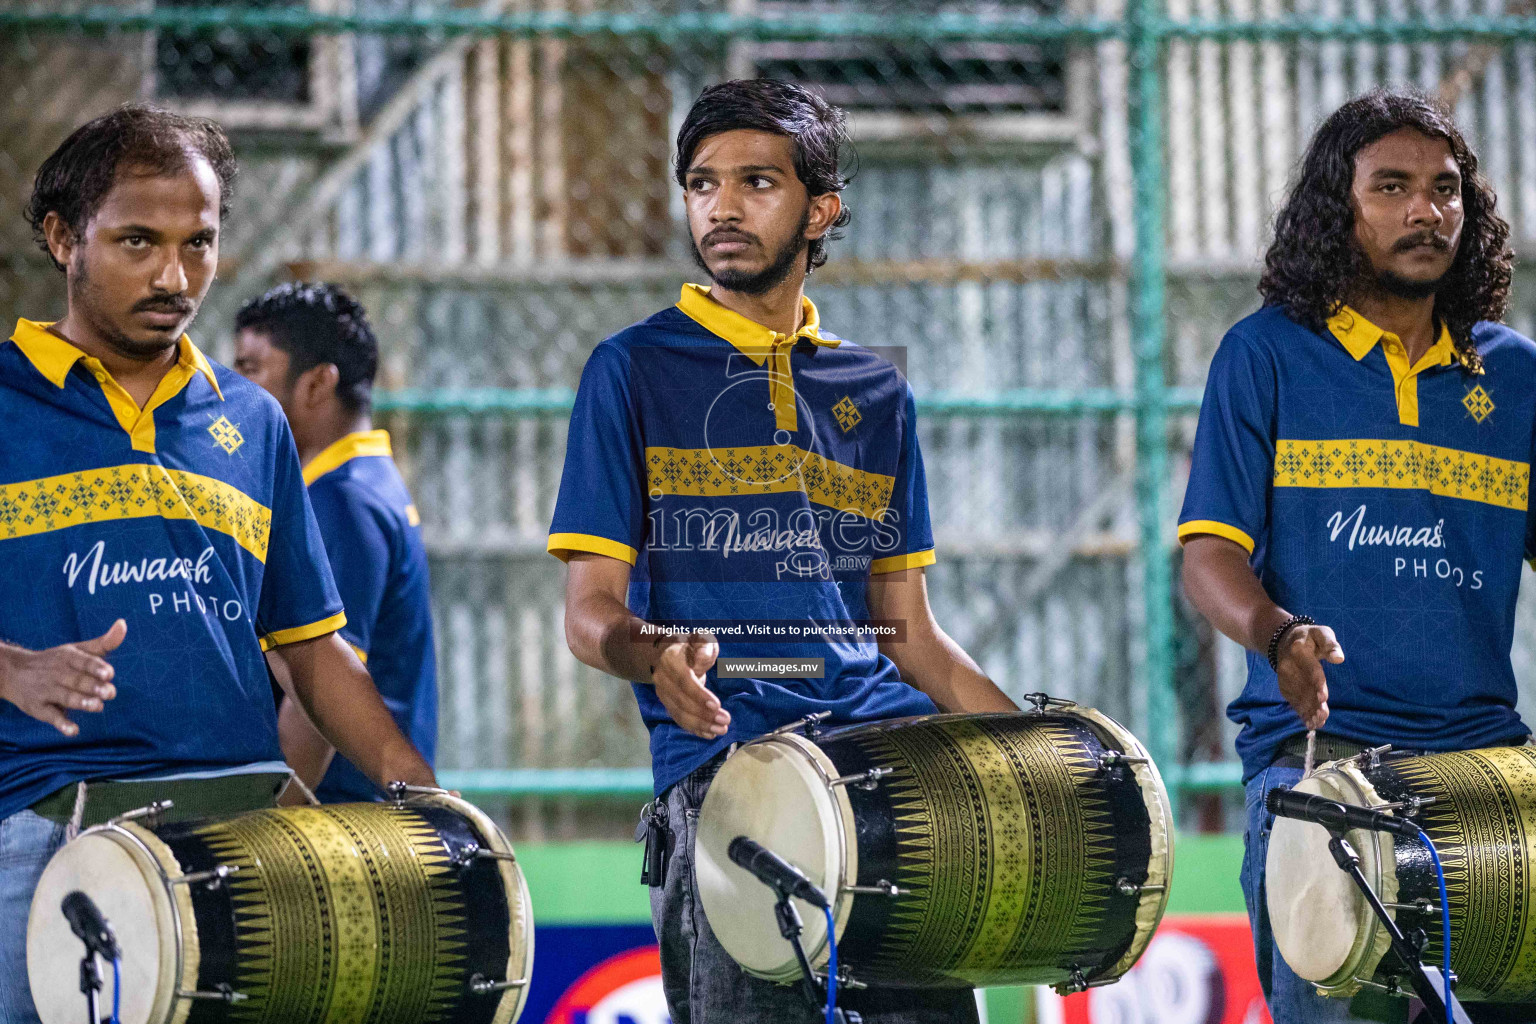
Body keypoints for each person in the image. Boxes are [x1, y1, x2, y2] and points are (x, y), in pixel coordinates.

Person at [550, 79, 1017, 1024]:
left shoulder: (876, 392)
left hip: (892, 787)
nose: (722, 205)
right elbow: (588, 611)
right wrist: (654, 656)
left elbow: (908, 632)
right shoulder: (633, 370)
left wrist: (1032, 753)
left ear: (822, 210)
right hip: (734, 787)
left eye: (757, 181)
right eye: (701, 182)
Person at [0, 105, 436, 1023]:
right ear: (60, 238)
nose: (174, 275)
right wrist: (12, 666)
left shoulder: (253, 420)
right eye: (137, 241)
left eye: (198, 243)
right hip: (40, 840)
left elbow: (315, 650)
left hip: (242, 849)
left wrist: (417, 789)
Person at [1180, 90, 1534, 1024]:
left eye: (1446, 189)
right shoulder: (1265, 356)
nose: (1427, 210)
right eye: (1394, 187)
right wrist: (1278, 631)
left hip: (1487, 772)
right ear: (1340, 208)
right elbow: (1209, 557)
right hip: (1322, 769)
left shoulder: (1516, 374)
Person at [232, 282, 438, 803]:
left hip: (339, 817)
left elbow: (316, 695)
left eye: (252, 368)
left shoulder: (339, 502)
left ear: (318, 383)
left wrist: (265, 827)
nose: (235, 387)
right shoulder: (368, 482)